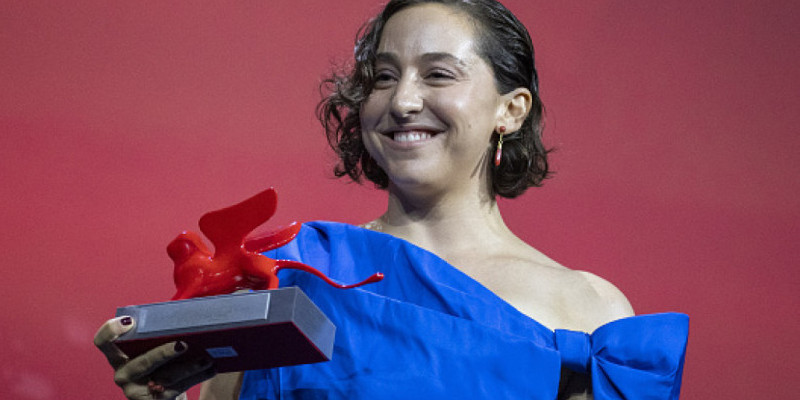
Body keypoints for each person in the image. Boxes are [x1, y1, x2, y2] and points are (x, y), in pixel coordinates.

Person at [95, 1, 688, 399]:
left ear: (511, 109)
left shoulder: (588, 309)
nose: (402, 101)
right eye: (383, 76)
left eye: (437, 75)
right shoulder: (290, 273)